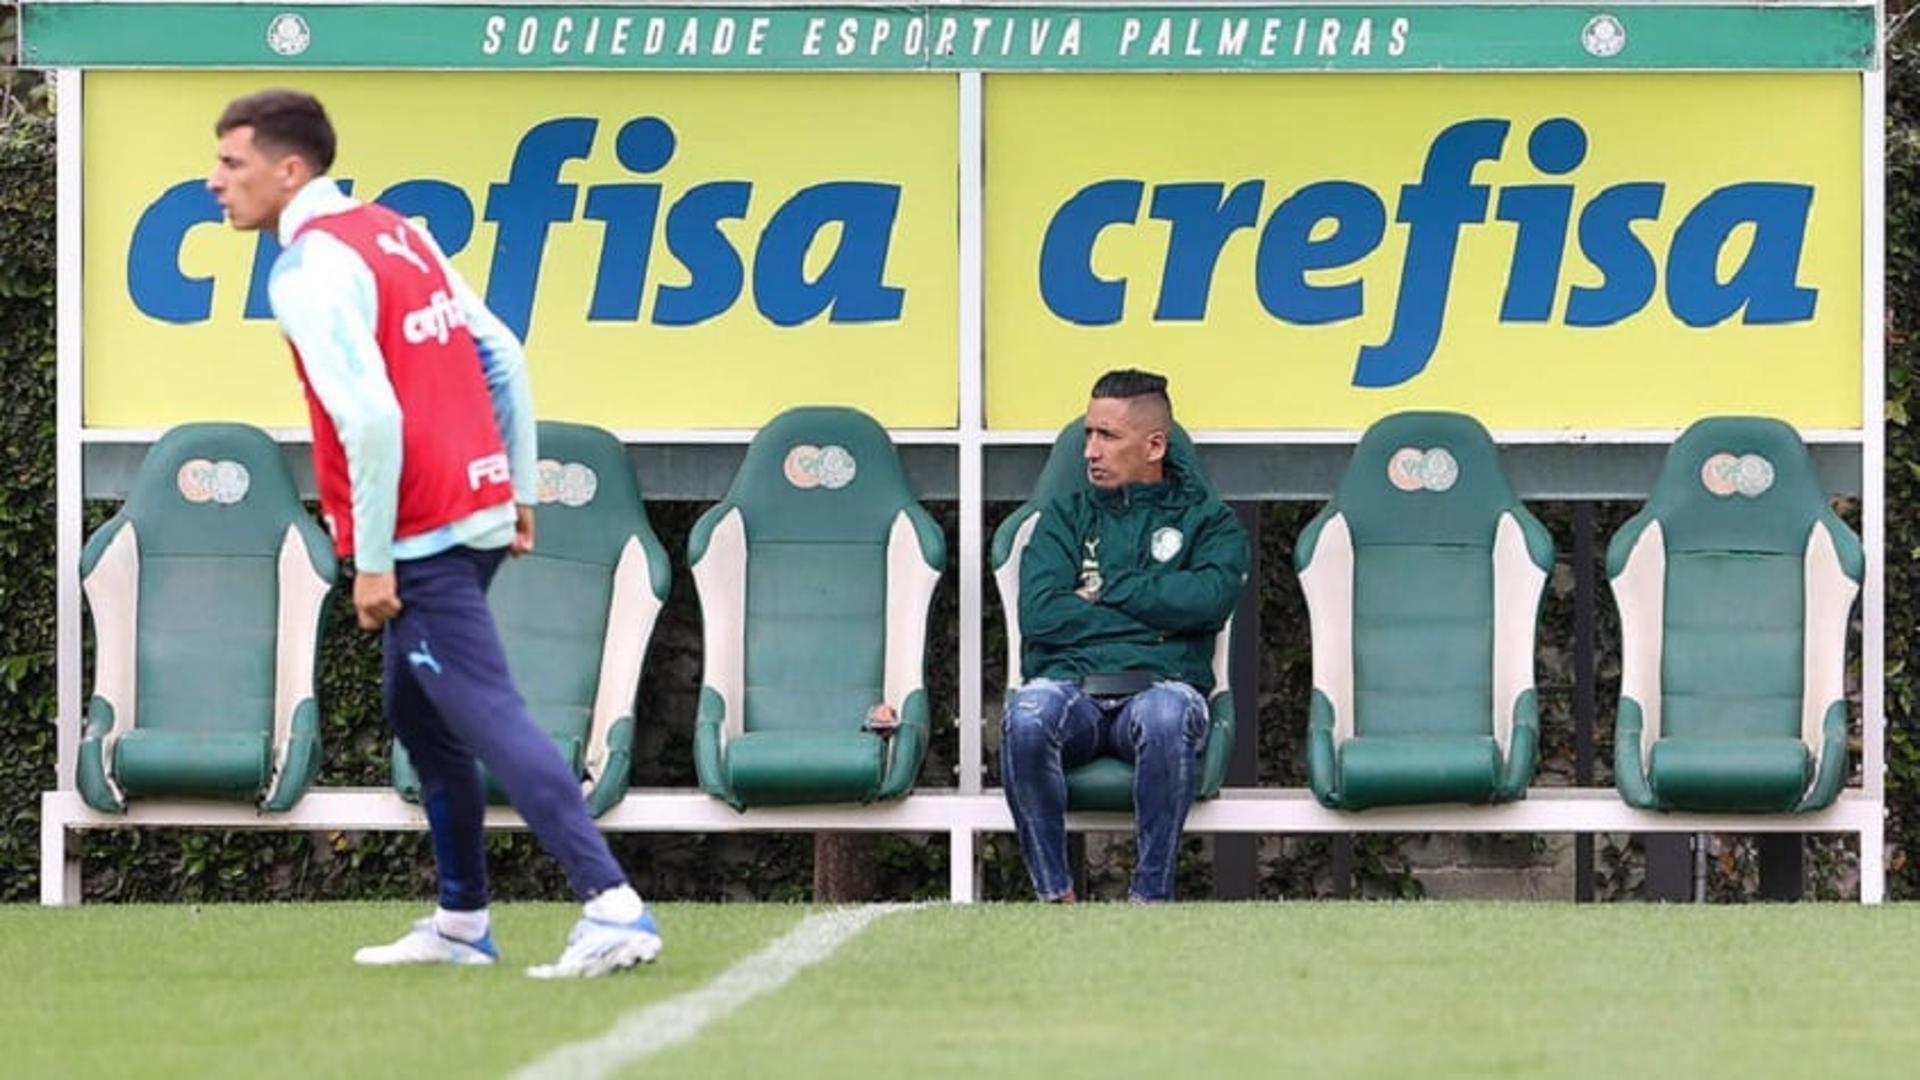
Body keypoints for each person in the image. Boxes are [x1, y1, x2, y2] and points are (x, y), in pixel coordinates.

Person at [208, 89, 659, 977]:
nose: (214, 181)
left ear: (288, 170)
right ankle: (461, 921)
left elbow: (370, 419)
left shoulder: (303, 271)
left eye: (232, 163)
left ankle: (612, 906)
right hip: (476, 507)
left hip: (420, 530)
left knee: (481, 707)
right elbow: (503, 354)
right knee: (418, 709)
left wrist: (371, 562)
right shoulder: (395, 230)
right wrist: (517, 484)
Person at [1002, 369, 1249, 902]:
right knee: (1026, 717)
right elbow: (1041, 615)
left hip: (1162, 685)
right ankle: (1055, 898)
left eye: (1107, 436)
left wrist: (1106, 588)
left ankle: (1149, 898)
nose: (1090, 450)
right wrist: (1157, 613)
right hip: (1073, 686)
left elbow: (1208, 602)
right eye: (1090, 433)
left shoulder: (1211, 524)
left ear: (1154, 445)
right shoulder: (1063, 518)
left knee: (1166, 716)